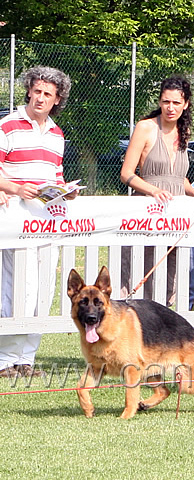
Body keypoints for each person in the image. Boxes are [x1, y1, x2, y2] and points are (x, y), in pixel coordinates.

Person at [0, 66, 75, 378]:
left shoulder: (57, 134)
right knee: (15, 286)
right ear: (29, 91)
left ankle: (26, 360)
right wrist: (14, 188)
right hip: (15, 218)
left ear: (58, 99)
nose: (41, 98)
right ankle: (5, 361)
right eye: (38, 91)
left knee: (43, 288)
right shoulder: (8, 125)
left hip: (47, 220)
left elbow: (54, 175)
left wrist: (66, 191)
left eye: (49, 94)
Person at [119, 76, 194, 306]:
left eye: (176, 103)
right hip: (147, 214)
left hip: (176, 218)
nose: (170, 108)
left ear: (186, 104)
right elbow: (127, 174)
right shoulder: (145, 127)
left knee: (171, 279)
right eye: (165, 102)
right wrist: (153, 190)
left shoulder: (184, 131)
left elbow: (177, 177)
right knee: (140, 275)